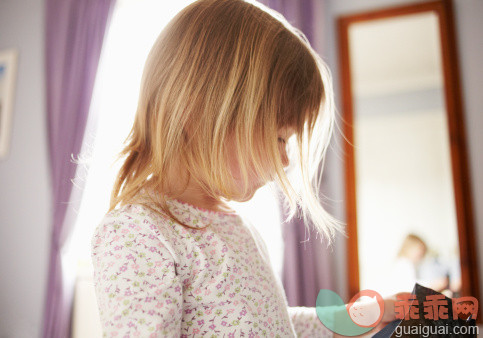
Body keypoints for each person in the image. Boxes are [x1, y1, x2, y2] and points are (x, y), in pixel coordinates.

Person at [91, 0, 400, 336]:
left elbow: (269, 324)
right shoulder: (140, 235)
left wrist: (362, 315)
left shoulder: (237, 227)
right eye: (279, 138)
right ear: (200, 111)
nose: (285, 160)